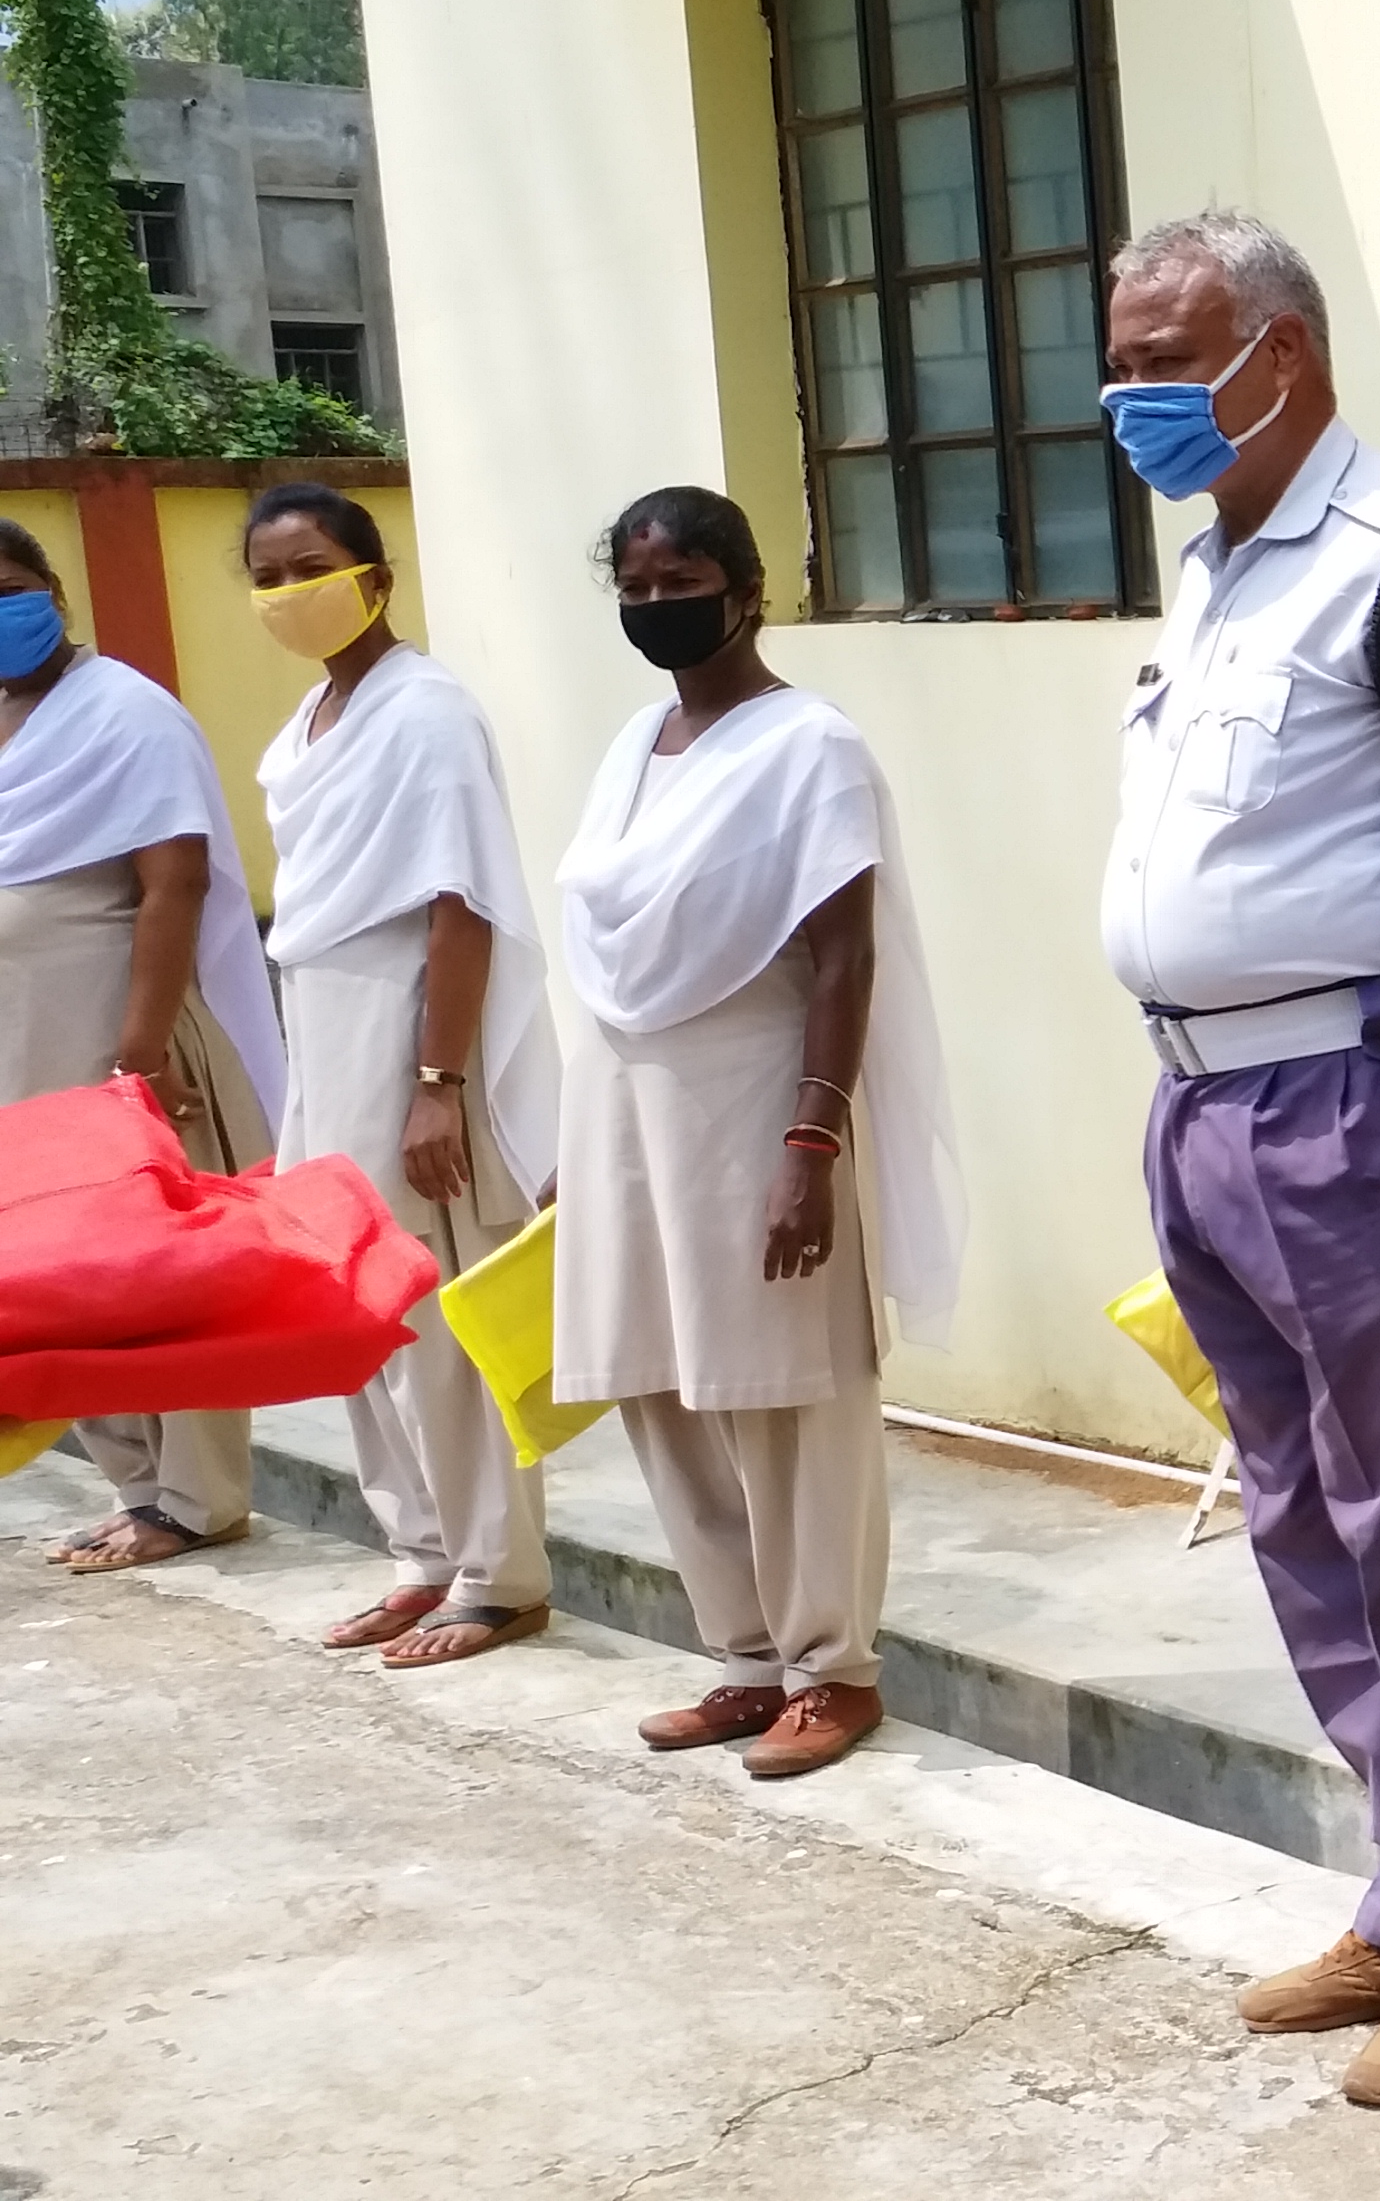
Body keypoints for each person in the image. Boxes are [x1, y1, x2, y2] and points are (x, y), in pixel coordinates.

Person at [1093, 210, 1380, 2108]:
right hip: (1202, 1107)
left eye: (1172, 353)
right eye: (1123, 354)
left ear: (1286, 354)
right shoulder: (1213, 570)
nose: (1137, 393)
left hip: (1356, 1107)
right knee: (1294, 1519)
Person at [550, 486, 964, 1782]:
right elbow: (618, 936)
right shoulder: (636, 746)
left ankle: (831, 1669)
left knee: (788, 1385)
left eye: (678, 580)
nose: (654, 603)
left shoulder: (811, 747)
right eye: (633, 584)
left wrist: (813, 1144)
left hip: (755, 1094)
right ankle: (743, 1658)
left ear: (746, 588)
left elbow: (843, 960)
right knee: (658, 1379)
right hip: (628, 1096)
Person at [241, 481, 559, 1665]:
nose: (288, 595)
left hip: (403, 1024)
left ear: (374, 575)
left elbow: (459, 905)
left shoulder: (426, 714)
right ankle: (419, 1554)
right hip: (319, 1023)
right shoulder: (316, 722)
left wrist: (439, 1077)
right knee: (353, 1305)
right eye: (267, 577)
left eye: (310, 567)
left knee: (428, 1305)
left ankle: (497, 1573)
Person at [0, 519, 282, 1572]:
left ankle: (200, 1496)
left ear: (56, 594)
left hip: (121, 1041)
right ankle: (137, 1487)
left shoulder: (127, 713)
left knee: (162, 1271)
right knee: (66, 1275)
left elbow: (176, 883)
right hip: (22, 1052)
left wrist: (140, 1050)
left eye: (12, 588)